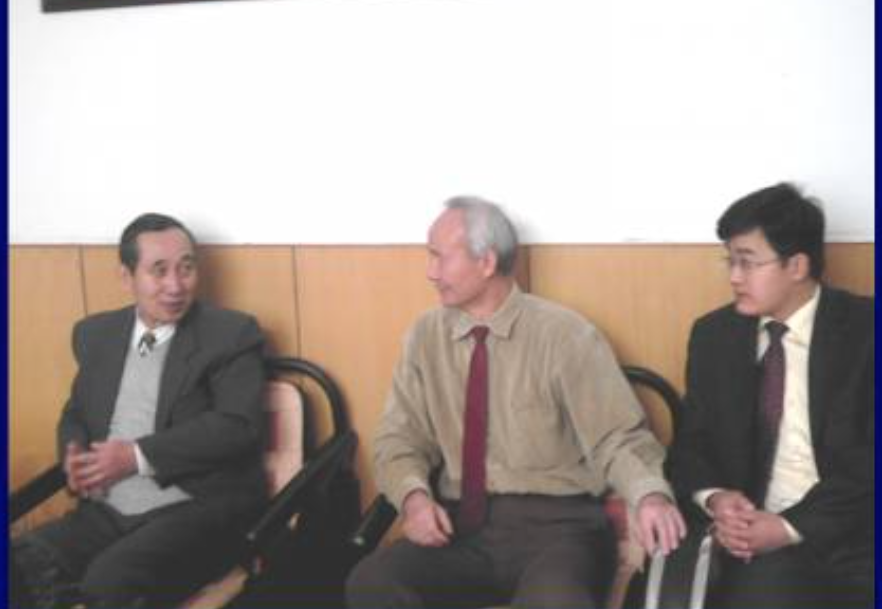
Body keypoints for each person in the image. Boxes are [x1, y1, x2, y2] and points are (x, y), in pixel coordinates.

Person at [347, 196, 685, 609]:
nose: (430, 272)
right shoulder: (424, 337)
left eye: (440, 257)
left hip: (559, 530)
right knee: (372, 583)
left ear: (486, 262)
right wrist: (414, 500)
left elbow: (617, 438)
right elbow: (399, 439)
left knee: (557, 602)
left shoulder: (565, 335)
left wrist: (650, 495)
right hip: (459, 528)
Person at [11, 213, 267, 608]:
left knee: (109, 582)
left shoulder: (231, 334)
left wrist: (134, 456)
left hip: (194, 508)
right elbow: (76, 412)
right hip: (107, 507)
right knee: (20, 562)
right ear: (126, 276)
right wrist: (75, 457)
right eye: (159, 271)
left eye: (186, 268)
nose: (175, 285)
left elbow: (237, 426)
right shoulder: (95, 334)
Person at [665, 183, 874, 608]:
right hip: (752, 541)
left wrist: (788, 527)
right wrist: (716, 498)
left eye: (747, 262)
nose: (733, 276)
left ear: (796, 265)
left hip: (857, 534)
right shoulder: (714, 336)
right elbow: (690, 445)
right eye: (730, 260)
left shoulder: (866, 332)